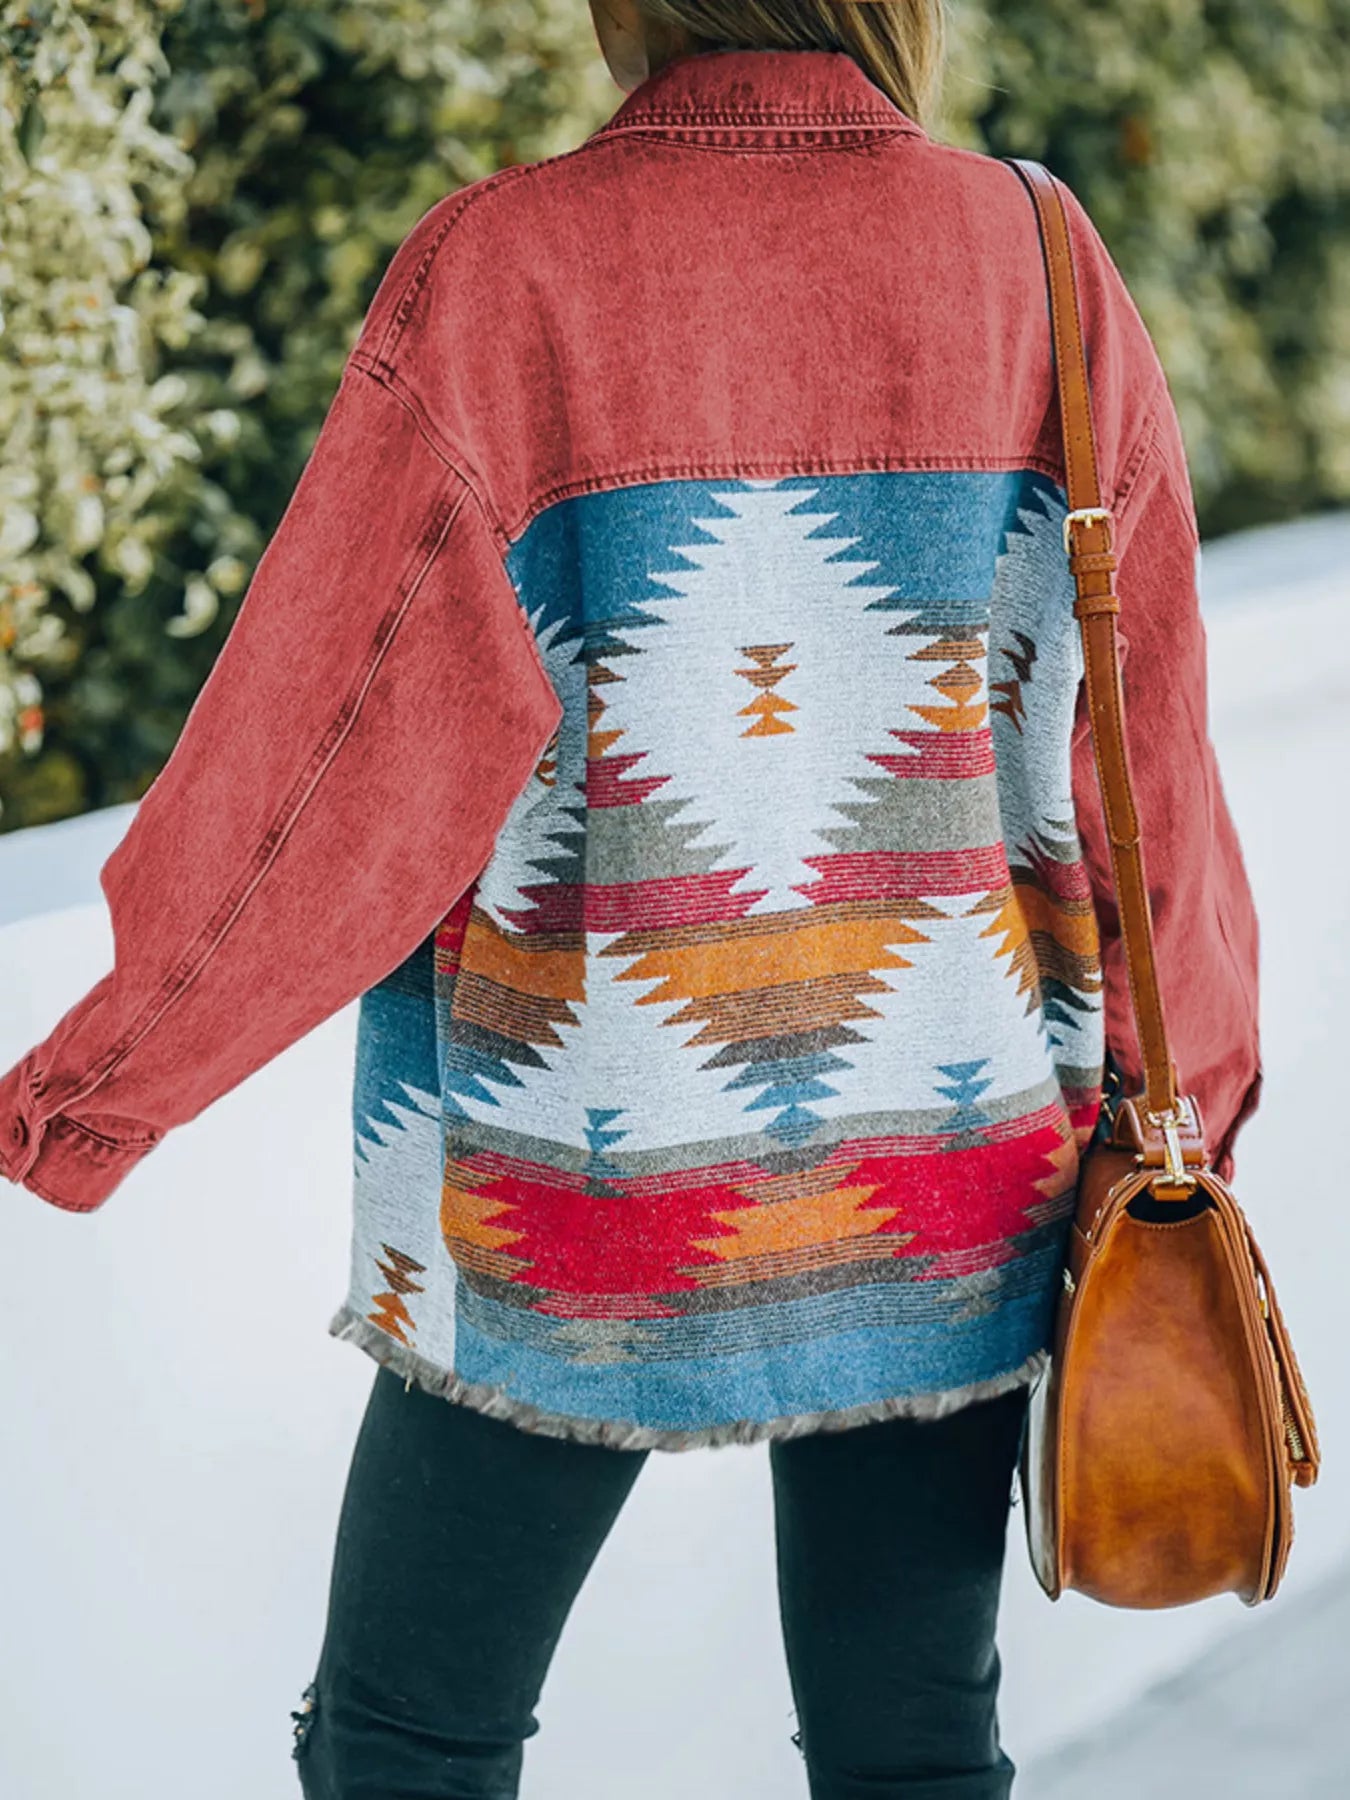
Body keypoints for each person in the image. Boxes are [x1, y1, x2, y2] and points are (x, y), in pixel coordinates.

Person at [0, 3, 1262, 1796]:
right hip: (956, 1169)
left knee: (404, 1740)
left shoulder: (505, 270)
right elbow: (1143, 754)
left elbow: (336, 753)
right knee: (914, 1747)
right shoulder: (1037, 260)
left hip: (570, 1180)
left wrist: (90, 1089)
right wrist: (1188, 1096)